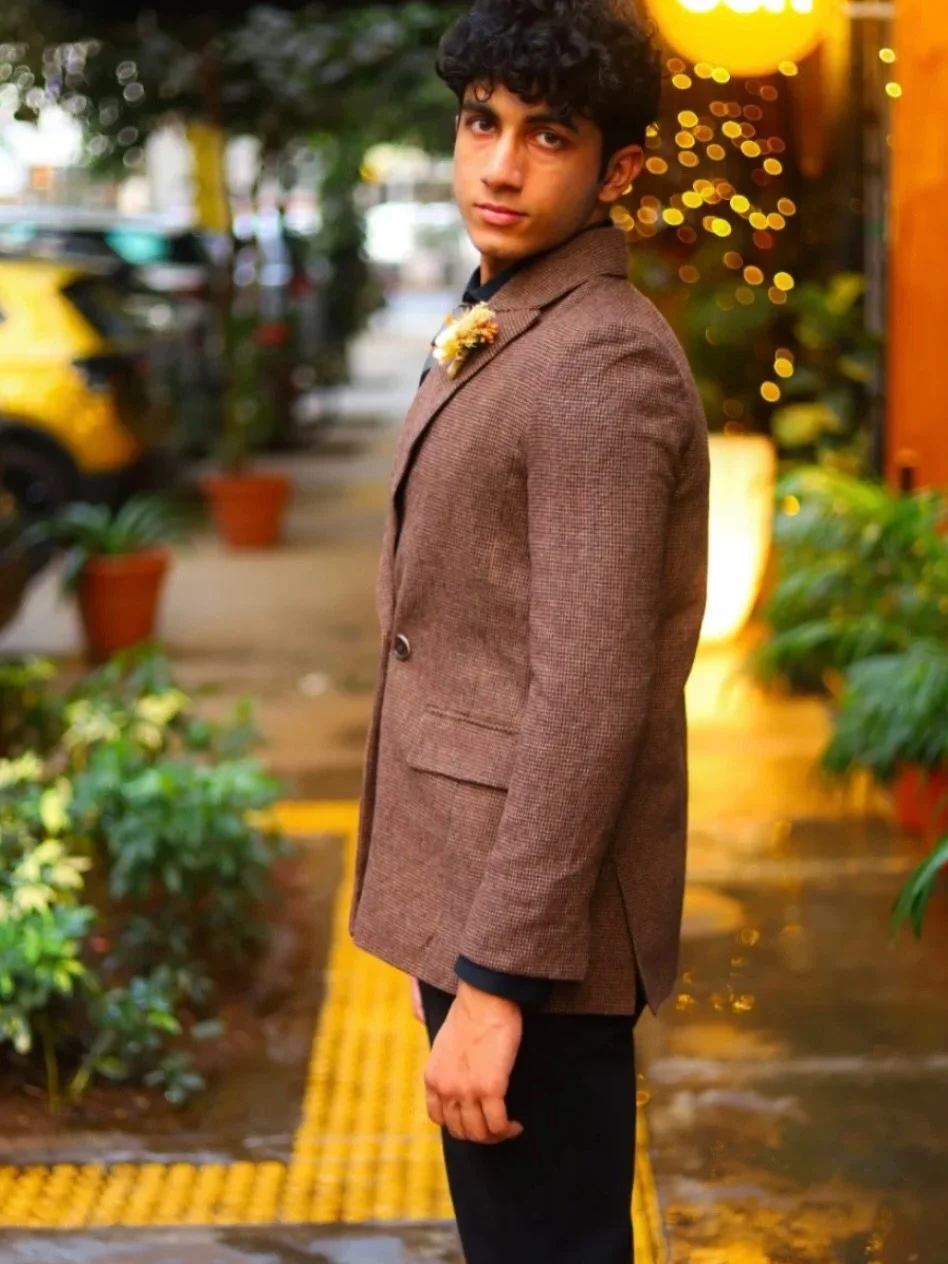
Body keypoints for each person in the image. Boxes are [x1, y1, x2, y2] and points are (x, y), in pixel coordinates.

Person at [351, 1, 710, 1258]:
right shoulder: (516, 310)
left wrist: (499, 984)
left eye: (547, 136)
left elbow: (590, 696)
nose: (500, 165)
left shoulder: (603, 366)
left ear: (618, 169)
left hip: (535, 930)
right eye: (480, 123)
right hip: (484, 885)